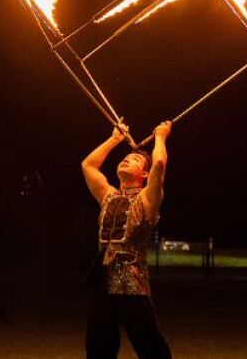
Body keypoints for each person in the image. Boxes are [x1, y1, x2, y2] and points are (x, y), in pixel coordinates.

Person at [81, 120, 173, 359]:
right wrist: (114, 139)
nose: (126, 160)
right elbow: (88, 165)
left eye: (134, 160)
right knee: (98, 349)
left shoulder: (147, 199)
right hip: (102, 283)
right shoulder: (109, 196)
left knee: (151, 347)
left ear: (144, 174)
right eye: (125, 158)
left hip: (133, 284)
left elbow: (159, 163)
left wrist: (161, 136)